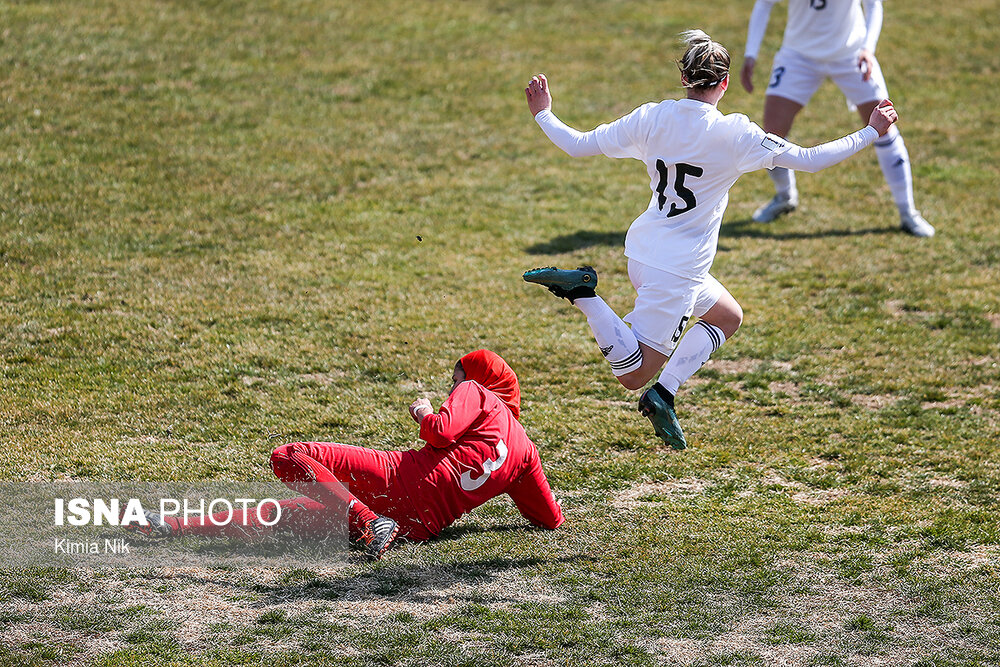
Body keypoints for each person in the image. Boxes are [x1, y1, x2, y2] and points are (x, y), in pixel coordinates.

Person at [522, 30, 898, 449]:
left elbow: (578, 145)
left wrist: (544, 113)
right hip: (677, 270)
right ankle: (585, 294)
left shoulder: (651, 117)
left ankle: (663, 395)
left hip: (645, 253)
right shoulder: (735, 133)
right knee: (632, 374)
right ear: (724, 83)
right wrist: (870, 132)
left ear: (684, 77)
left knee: (727, 316)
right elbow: (810, 161)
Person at [128, 350, 564, 560]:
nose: (454, 389)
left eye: (455, 381)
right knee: (282, 515)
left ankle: (369, 520)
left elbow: (440, 431)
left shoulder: (477, 391)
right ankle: (169, 526)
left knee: (289, 455)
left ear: (479, 377)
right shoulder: (527, 452)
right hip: (418, 528)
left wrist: (426, 411)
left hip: (399, 482)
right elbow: (548, 518)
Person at [741, 0, 933, 237]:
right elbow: (764, 4)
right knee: (772, 133)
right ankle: (785, 196)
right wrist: (751, 54)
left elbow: (873, 4)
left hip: (851, 55)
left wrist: (867, 49)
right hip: (798, 56)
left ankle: (908, 212)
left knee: (885, 125)